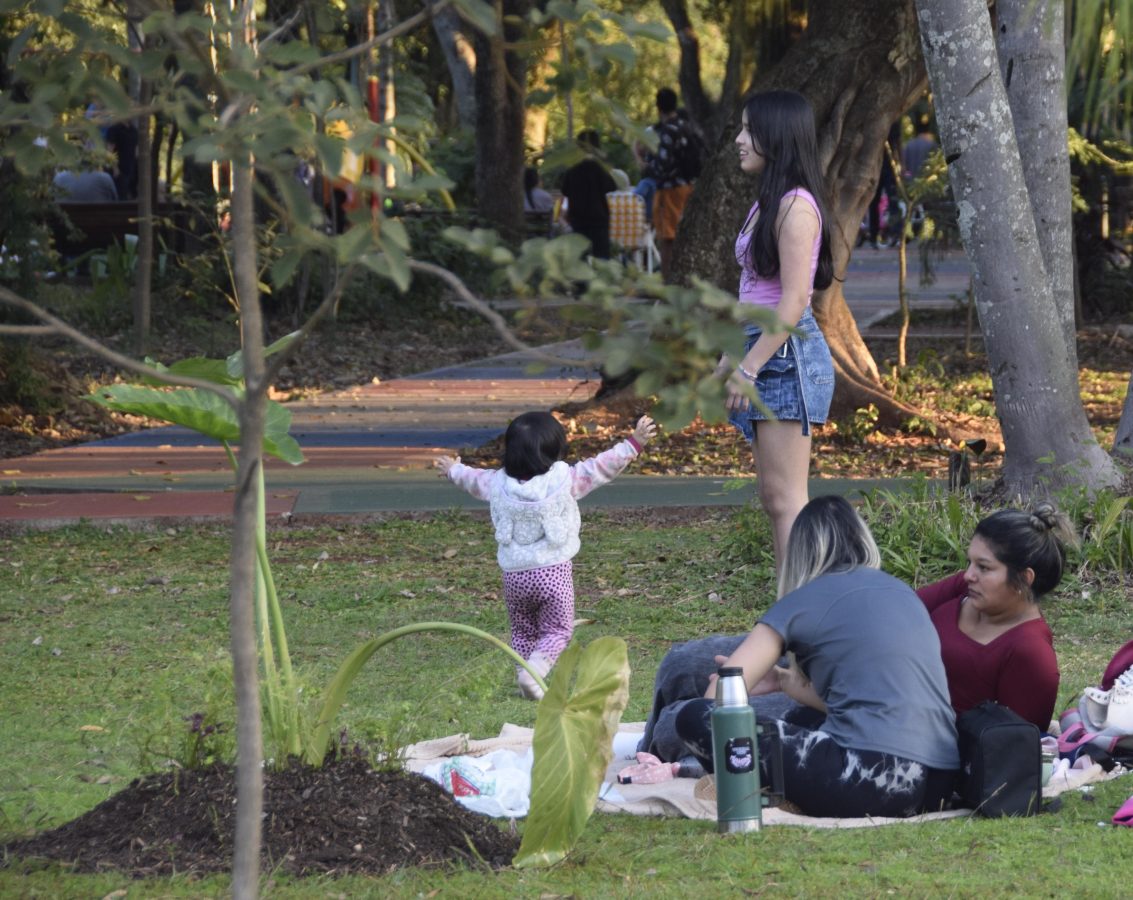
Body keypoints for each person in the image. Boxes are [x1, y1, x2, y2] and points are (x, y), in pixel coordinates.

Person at [665, 496, 959, 818]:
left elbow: (718, 704)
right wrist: (783, 681)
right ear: (862, 537)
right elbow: (864, 704)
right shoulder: (902, 592)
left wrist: (721, 699)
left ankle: (746, 787)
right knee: (799, 719)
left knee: (693, 716)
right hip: (937, 783)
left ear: (800, 551)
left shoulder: (801, 601)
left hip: (869, 780)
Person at [434, 412, 657, 700]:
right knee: (557, 631)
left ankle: (526, 676)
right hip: (553, 573)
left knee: (523, 631)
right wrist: (634, 443)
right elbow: (602, 467)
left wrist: (453, 468)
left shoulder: (497, 483)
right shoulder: (565, 479)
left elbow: (471, 479)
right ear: (555, 450)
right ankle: (533, 674)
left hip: (514, 576)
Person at [722, 90, 836, 572]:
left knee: (789, 499)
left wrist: (749, 366)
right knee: (774, 498)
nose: (739, 140)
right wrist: (733, 355)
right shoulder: (768, 204)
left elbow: (793, 301)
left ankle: (798, 619)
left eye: (749, 130)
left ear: (777, 136)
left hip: (784, 355)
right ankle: (789, 614)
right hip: (764, 349)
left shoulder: (797, 208)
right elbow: (755, 290)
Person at [917, 503, 1077, 731]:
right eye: (970, 562)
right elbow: (901, 613)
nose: (969, 575)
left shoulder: (1030, 653)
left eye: (984, 567)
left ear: (1024, 578)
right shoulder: (965, 588)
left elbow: (1011, 747)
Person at [636, 88, 698, 281]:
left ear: (658, 106)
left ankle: (667, 282)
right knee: (683, 234)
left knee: (667, 238)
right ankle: (684, 277)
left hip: (669, 190)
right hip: (687, 186)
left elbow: (662, 165)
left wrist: (643, 162)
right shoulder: (685, 126)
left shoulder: (666, 131)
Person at [558, 130, 617, 259]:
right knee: (601, 258)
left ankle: (581, 279)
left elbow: (565, 190)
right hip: (599, 218)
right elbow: (612, 186)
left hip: (578, 219)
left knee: (579, 259)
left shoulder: (573, 168)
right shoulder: (601, 168)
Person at [52, 168, 118, 203]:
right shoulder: (105, 178)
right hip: (99, 225)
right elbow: (114, 200)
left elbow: (51, 199)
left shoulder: (59, 178)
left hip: (65, 226)